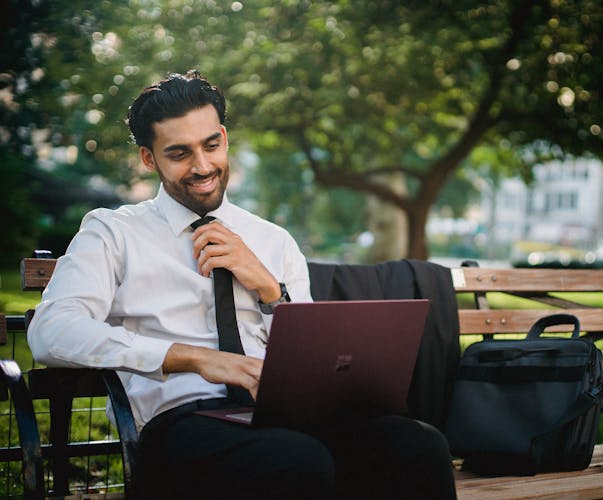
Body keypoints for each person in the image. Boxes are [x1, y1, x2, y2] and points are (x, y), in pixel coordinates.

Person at [27, 70, 457, 499]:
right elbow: (53, 331)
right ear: (148, 158)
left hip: (283, 416)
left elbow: (311, 360)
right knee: (296, 459)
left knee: (417, 444)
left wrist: (270, 290)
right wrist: (194, 359)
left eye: (211, 146)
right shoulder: (113, 232)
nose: (202, 166)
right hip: (181, 423)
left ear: (225, 139)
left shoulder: (272, 240)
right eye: (179, 153)